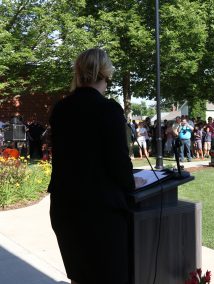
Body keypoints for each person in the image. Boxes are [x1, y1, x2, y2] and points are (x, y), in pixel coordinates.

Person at [48, 48, 135, 284]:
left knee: (80, 276)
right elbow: (119, 165)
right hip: (100, 212)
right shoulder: (108, 109)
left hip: (65, 207)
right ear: (106, 73)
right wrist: (132, 185)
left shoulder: (60, 109)